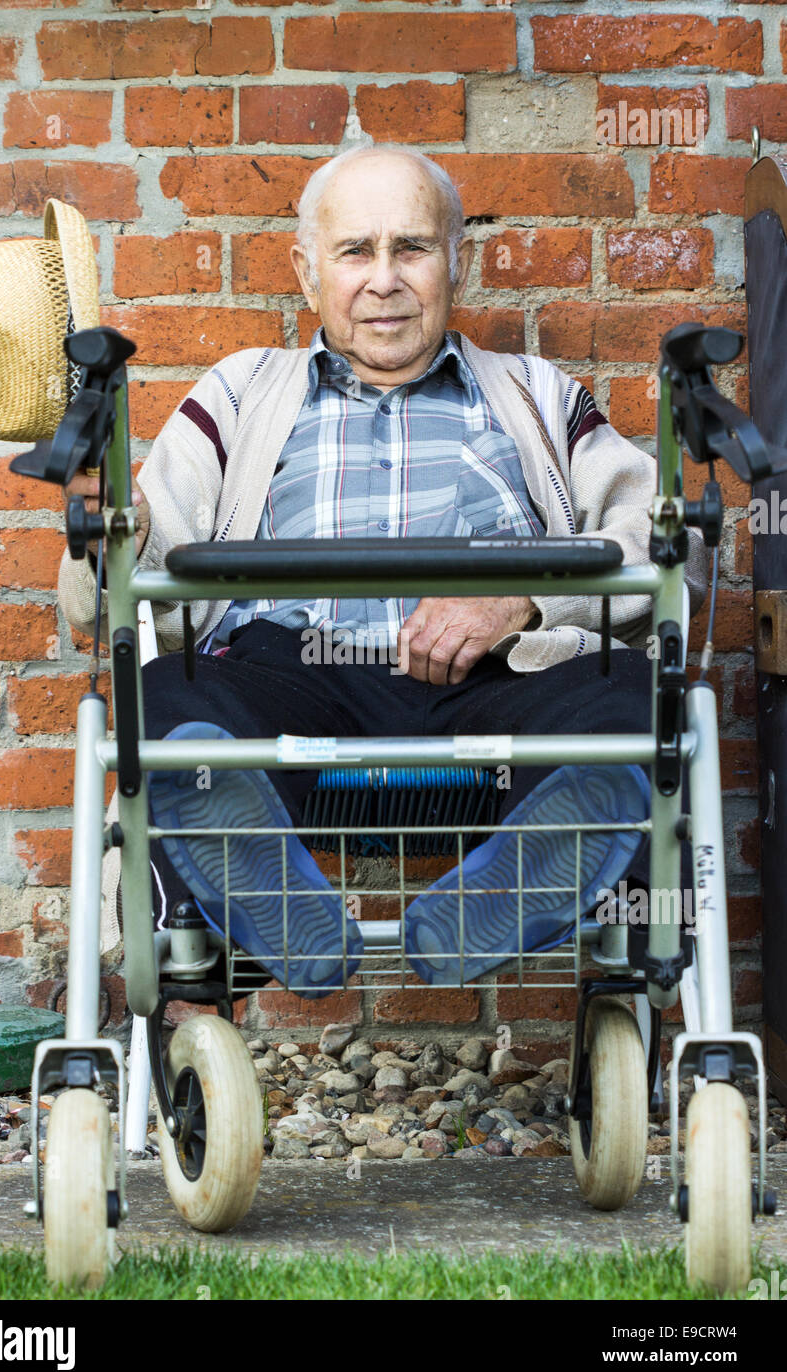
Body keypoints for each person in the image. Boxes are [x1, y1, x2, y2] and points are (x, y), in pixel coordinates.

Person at [59, 142, 707, 995]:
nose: (383, 279)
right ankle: (282, 919)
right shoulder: (240, 391)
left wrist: (520, 603)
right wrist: (113, 522)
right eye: (355, 251)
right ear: (305, 271)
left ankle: (500, 900)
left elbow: (666, 547)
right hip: (288, 677)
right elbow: (110, 597)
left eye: (411, 248)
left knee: (630, 697)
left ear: (454, 262)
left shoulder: (535, 393)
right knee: (167, 701)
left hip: (493, 682)